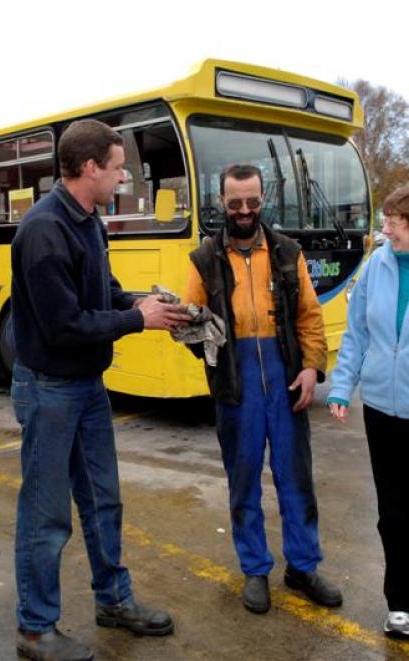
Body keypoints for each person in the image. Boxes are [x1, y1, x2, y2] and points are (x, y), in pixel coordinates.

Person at [10, 119, 191, 661]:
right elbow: (63, 325)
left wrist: (145, 303)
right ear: (89, 168)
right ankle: (36, 629)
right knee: (46, 516)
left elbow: (105, 293)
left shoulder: (91, 222)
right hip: (49, 390)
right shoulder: (44, 232)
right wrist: (139, 323)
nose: (123, 178)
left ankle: (114, 600)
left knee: (104, 501)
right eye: (117, 169)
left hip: (86, 387)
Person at [183, 164, 342, 614]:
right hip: (237, 383)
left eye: (253, 201)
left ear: (262, 200)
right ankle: (254, 569)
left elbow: (309, 316)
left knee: (296, 478)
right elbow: (191, 320)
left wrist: (312, 368)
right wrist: (196, 333)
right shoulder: (204, 259)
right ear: (222, 203)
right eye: (236, 203)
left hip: (286, 374)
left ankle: (303, 566)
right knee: (243, 478)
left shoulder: (288, 252)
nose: (245, 210)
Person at [328, 185, 409, 638]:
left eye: (395, 222)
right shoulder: (376, 266)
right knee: (393, 512)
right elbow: (356, 333)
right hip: (381, 408)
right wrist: (342, 387)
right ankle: (400, 602)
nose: (386, 230)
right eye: (387, 221)